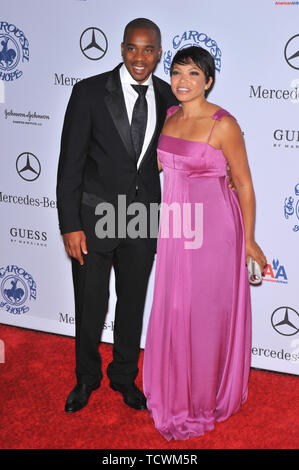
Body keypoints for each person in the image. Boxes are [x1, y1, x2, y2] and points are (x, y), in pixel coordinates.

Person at [143, 46, 267, 440]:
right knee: (177, 305)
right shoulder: (168, 116)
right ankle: (176, 387)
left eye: (193, 74)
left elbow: (244, 182)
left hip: (214, 229)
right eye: (177, 72)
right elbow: (162, 165)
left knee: (205, 312)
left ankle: (202, 397)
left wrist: (250, 240)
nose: (182, 81)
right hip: (177, 224)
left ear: (209, 80)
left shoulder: (224, 124)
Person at [56, 18, 178, 413]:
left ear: (159, 53)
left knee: (132, 303)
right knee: (90, 304)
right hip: (93, 220)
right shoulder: (89, 92)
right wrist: (70, 224)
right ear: (121, 49)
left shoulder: (168, 96)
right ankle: (86, 378)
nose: (139, 57)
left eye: (148, 50)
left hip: (142, 220)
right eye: (132, 48)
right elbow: (70, 164)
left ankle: (124, 376)